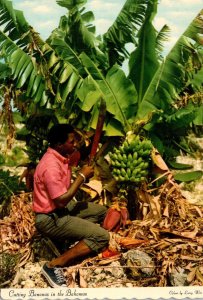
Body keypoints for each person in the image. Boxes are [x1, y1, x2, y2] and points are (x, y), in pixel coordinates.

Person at [32, 124, 110, 288]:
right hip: (50, 219)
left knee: (103, 212)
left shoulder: (63, 155)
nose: (75, 144)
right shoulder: (50, 166)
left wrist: (106, 140)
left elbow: (83, 154)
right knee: (102, 237)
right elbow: (61, 200)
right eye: (71, 141)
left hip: (61, 211)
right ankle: (53, 265)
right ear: (59, 144)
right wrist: (81, 176)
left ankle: (66, 240)